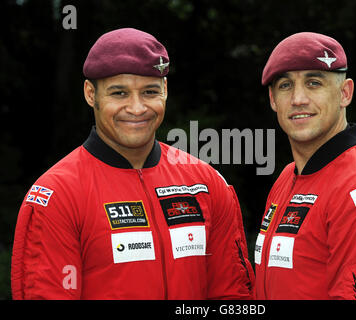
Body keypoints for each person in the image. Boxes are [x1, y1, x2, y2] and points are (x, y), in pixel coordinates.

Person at [11, 28, 254, 300]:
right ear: (91, 94)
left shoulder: (205, 183)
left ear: (165, 90)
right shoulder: (58, 194)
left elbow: (232, 296)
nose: (137, 108)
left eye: (150, 91)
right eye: (119, 93)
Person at [254, 32, 356, 300]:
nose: (298, 99)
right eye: (285, 86)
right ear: (273, 100)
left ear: (344, 93)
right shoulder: (287, 177)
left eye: (314, 83)